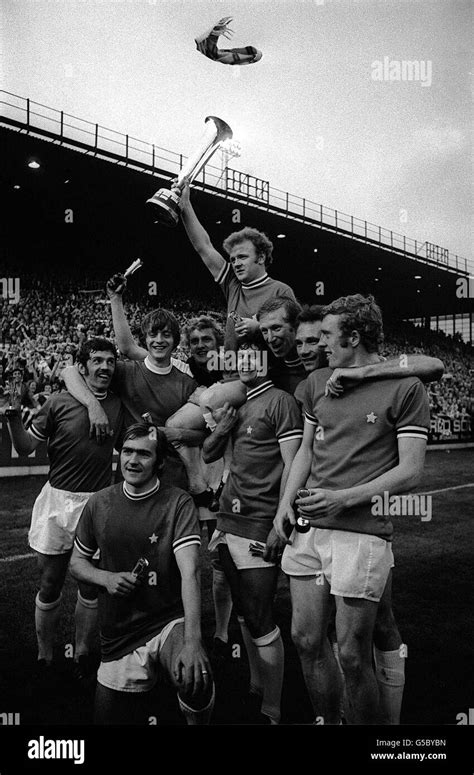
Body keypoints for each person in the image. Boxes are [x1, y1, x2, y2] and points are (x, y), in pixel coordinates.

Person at [274, 295, 431, 724]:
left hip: (361, 531)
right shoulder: (317, 382)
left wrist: (341, 498)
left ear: (354, 336)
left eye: (326, 335)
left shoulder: (406, 386)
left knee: (351, 652)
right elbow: (305, 451)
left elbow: (411, 472)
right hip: (309, 527)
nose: (318, 343)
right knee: (305, 639)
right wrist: (284, 503)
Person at [70, 422, 214, 725]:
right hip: (119, 630)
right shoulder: (99, 503)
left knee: (196, 678)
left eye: (144, 454)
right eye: (127, 452)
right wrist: (106, 579)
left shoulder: (178, 502)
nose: (133, 460)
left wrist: (192, 640)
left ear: (159, 462)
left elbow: (191, 573)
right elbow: (76, 564)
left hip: (166, 620)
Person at [5, 338, 124, 683]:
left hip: (98, 505)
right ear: (82, 367)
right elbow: (26, 448)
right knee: (50, 581)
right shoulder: (57, 402)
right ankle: (45, 656)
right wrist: (13, 414)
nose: (104, 367)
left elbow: (134, 444)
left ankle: (83, 655)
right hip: (58, 502)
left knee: (90, 586)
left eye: (109, 362)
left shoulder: (118, 404)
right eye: (97, 361)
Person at [202, 341, 303, 724]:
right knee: (245, 613)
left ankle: (272, 710)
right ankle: (257, 686)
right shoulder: (235, 401)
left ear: (267, 362)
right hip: (227, 523)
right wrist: (222, 426)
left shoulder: (280, 402)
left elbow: (294, 466)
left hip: (259, 524)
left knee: (260, 616)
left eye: (252, 356)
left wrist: (283, 520)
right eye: (238, 356)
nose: (243, 362)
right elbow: (210, 453)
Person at [62, 282, 206, 496]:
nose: (159, 340)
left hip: (173, 481)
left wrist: (174, 434)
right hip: (131, 479)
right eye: (153, 335)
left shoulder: (188, 382)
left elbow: (202, 435)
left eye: (166, 335)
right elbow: (70, 372)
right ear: (144, 340)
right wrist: (93, 405)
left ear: (175, 342)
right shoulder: (124, 372)